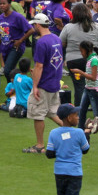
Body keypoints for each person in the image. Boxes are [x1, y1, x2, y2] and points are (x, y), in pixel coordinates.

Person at [45, 104, 95, 195]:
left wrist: (62, 149)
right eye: (76, 115)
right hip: (74, 174)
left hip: (59, 173)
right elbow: (85, 150)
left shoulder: (53, 133)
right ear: (69, 117)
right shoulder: (79, 133)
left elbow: (49, 154)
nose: (78, 117)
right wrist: (87, 134)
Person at [26, 13, 65, 153]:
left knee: (38, 114)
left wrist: (35, 85)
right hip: (55, 82)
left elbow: (39, 66)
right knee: (52, 112)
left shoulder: (41, 42)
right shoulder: (56, 38)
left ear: (37, 24)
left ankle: (40, 145)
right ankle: (72, 132)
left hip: (44, 83)